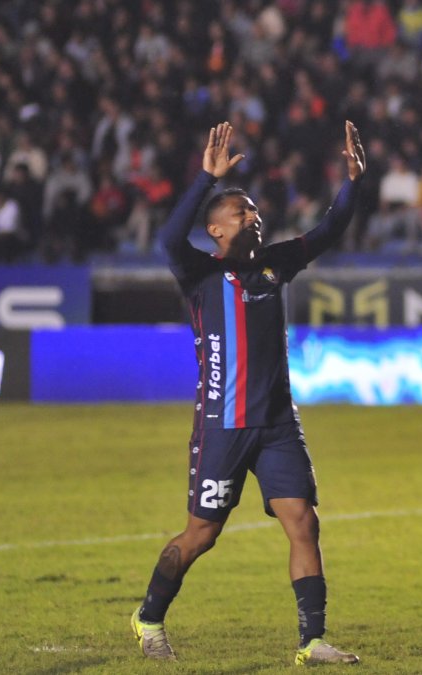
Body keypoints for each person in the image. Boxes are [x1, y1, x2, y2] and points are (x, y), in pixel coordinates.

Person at [129, 121, 366, 666]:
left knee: (303, 521)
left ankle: (312, 641)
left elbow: (330, 229)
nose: (255, 218)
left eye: (257, 212)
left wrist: (352, 182)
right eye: (243, 213)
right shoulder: (198, 274)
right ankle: (147, 619)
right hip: (223, 426)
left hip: (279, 426)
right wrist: (204, 181)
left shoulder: (275, 264)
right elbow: (167, 239)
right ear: (215, 229)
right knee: (200, 536)